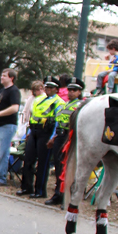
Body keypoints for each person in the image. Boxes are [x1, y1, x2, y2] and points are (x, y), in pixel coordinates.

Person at [17, 76, 63, 199]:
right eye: (46, 87)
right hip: (34, 130)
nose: (48, 89)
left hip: (46, 132)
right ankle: (26, 186)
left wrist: (53, 137)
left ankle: (40, 190)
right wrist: (29, 131)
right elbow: (33, 115)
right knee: (28, 158)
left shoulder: (58, 102)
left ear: (56, 89)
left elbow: (58, 121)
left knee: (43, 162)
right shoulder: (39, 99)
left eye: (51, 88)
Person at [45, 77, 85, 206]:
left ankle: (66, 196)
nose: (71, 92)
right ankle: (58, 193)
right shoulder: (66, 104)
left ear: (79, 92)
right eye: (69, 90)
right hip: (60, 136)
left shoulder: (80, 105)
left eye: (74, 90)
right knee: (59, 166)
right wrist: (54, 137)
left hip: (70, 137)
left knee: (67, 168)